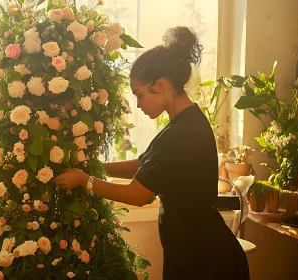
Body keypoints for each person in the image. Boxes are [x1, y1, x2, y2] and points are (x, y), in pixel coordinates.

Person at [55, 26, 250, 279]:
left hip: (204, 257)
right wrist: (98, 167)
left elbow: (137, 194)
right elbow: (145, 165)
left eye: (140, 94)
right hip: (192, 249)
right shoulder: (182, 123)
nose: (138, 104)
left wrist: (86, 181)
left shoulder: (183, 132)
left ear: (160, 85)